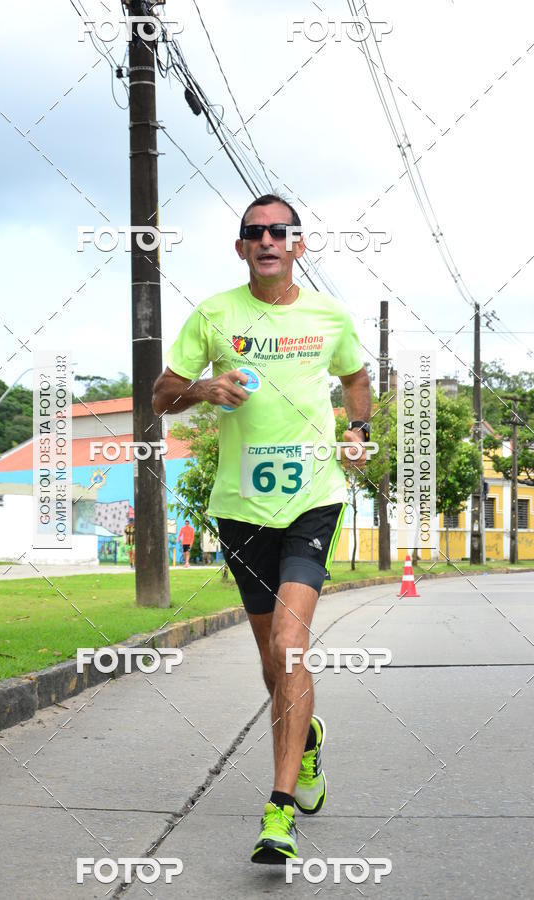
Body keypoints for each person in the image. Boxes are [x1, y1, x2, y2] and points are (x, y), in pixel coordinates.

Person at [152, 194, 371, 864]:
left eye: (280, 231)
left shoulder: (329, 316)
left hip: (313, 500)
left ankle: (278, 812)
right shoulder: (213, 315)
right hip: (241, 507)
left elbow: (356, 379)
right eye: (256, 232)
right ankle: (307, 741)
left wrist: (357, 431)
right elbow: (160, 396)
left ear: (298, 244)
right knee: (273, 665)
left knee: (290, 643)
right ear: (241, 246)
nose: (268, 240)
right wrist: (203, 389)